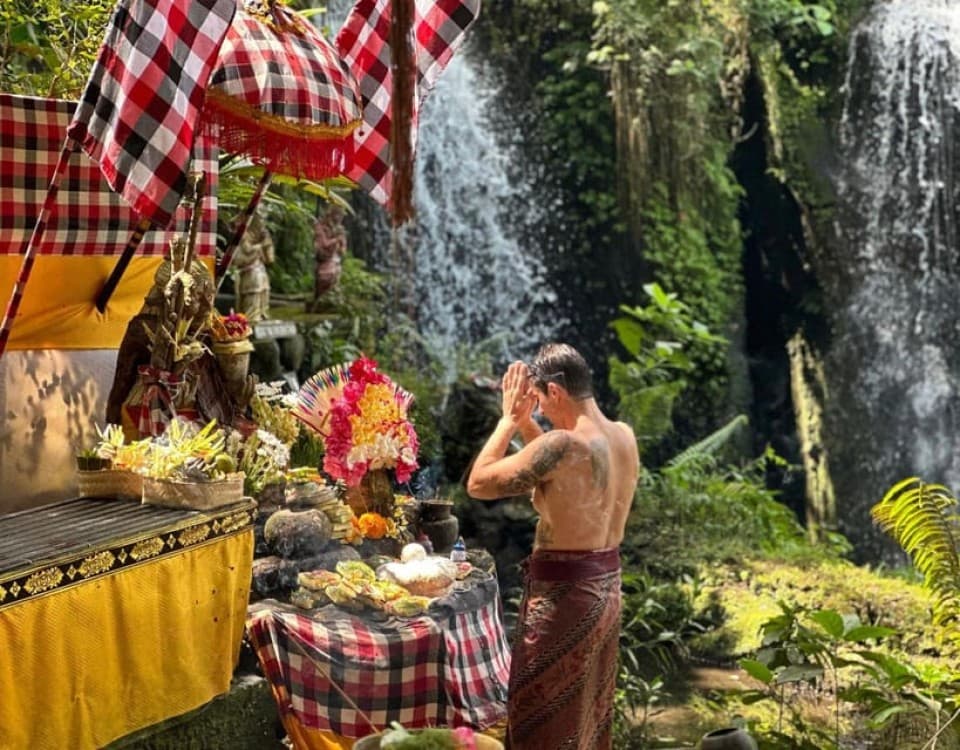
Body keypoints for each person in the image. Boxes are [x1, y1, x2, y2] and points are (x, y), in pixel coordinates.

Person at [466, 343, 639, 750]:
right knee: (585, 716)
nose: (539, 410)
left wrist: (509, 421)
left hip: (565, 601)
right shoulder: (622, 436)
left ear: (556, 393)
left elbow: (479, 483)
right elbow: (558, 476)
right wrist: (530, 426)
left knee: (540, 715)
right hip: (607, 591)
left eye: (540, 401)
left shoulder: (562, 446)